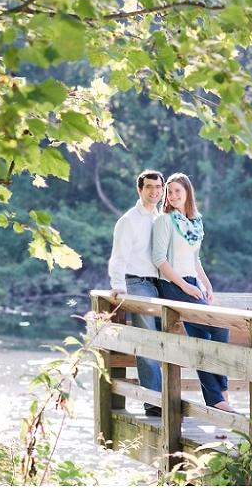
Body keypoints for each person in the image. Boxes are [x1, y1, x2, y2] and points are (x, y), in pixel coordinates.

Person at [151, 172, 236, 413]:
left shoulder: (194, 223)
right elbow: (159, 259)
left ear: (188, 193)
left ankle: (216, 400)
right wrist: (185, 286)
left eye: (178, 191)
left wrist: (205, 284)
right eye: (170, 191)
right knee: (220, 327)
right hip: (172, 285)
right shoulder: (164, 221)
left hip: (192, 284)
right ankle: (222, 392)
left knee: (201, 342)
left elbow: (195, 259)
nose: (173, 195)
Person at [108, 170, 165, 417]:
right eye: (149, 187)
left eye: (158, 187)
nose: (154, 192)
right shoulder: (129, 220)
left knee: (166, 342)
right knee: (148, 341)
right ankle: (154, 403)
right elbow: (118, 258)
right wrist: (118, 285)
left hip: (161, 285)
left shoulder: (162, 219)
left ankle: (164, 398)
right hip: (137, 283)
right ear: (139, 190)